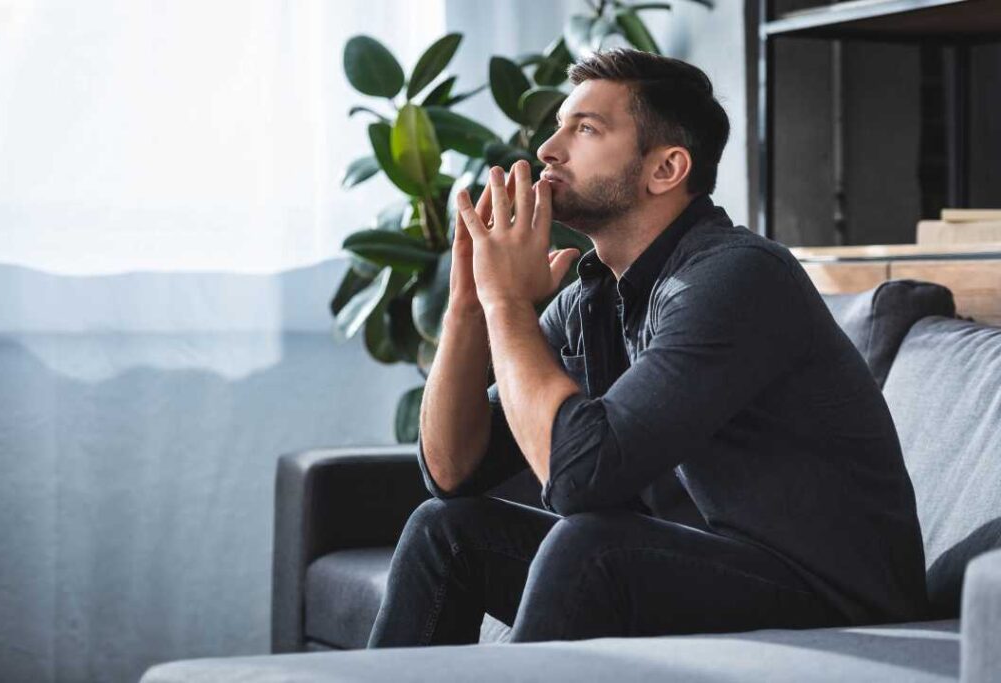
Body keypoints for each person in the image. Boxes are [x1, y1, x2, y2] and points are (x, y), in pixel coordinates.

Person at [367, 47, 929, 647]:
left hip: (833, 601)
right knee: (446, 531)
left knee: (591, 544)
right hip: (693, 574)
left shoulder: (737, 277)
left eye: (585, 129)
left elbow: (579, 481)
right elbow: (453, 473)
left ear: (665, 169)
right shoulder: (593, 296)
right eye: (558, 127)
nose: (548, 150)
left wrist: (507, 306)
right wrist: (469, 305)